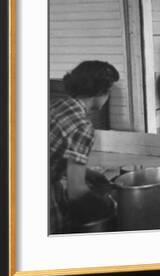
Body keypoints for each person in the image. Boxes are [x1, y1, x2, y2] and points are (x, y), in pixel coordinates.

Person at [49, 60, 119, 234]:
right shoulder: (83, 127)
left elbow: (54, 155)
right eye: (109, 91)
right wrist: (109, 206)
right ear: (100, 92)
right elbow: (76, 191)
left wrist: (90, 174)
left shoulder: (58, 106)